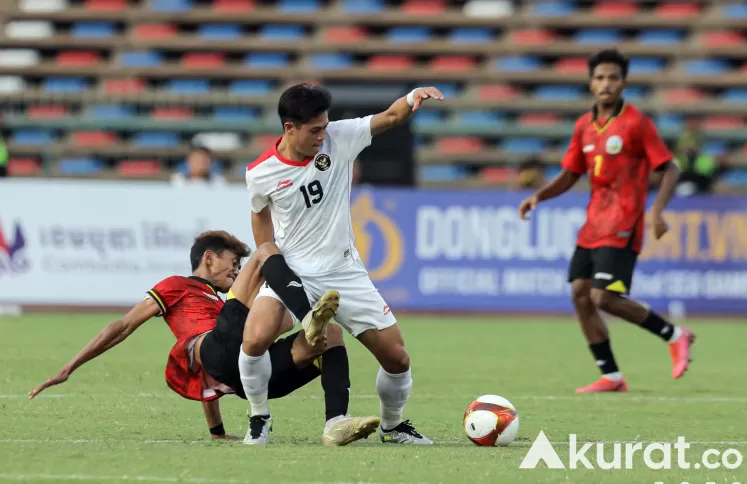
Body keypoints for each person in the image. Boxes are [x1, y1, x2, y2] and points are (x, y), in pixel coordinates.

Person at [28, 230, 379, 446]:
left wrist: (216, 431)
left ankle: (336, 423)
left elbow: (209, 378)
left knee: (331, 335)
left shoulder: (230, 303)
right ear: (209, 259)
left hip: (245, 371)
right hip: (218, 349)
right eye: (231, 263)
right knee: (265, 251)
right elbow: (122, 326)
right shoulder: (177, 287)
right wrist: (70, 367)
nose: (236, 271)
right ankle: (306, 316)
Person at [241, 83, 444, 444]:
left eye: (325, 126)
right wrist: (270, 259)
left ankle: (392, 426)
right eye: (314, 130)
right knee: (254, 339)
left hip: (344, 271)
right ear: (290, 128)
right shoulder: (261, 172)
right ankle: (259, 418)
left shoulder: (341, 137)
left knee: (397, 359)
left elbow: (393, 116)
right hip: (295, 272)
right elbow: (259, 215)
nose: (323, 136)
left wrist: (413, 95)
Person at [517, 49, 695, 393]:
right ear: (590, 84)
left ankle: (675, 334)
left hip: (625, 220)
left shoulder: (636, 123)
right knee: (581, 295)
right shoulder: (584, 126)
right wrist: (538, 196)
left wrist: (656, 210)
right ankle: (612, 376)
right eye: (599, 78)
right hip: (593, 223)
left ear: (624, 83)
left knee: (603, 297)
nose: (606, 84)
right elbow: (570, 174)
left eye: (613, 77)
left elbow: (670, 168)